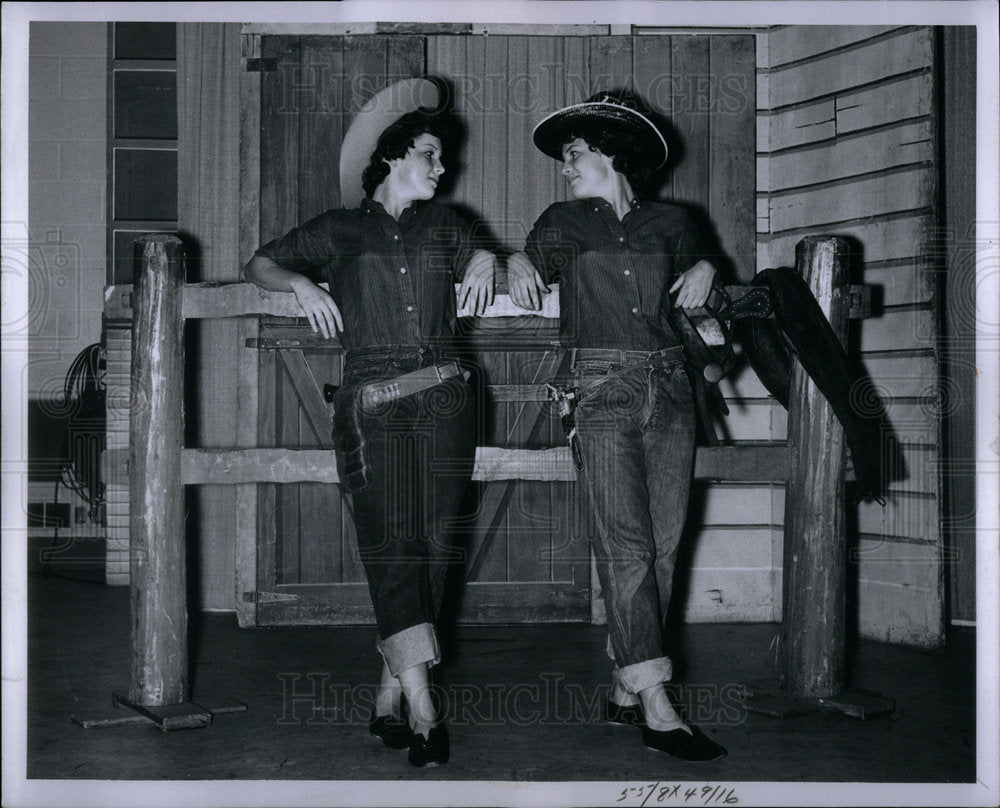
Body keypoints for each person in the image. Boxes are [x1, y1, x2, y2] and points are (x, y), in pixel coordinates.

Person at [242, 79, 496, 768]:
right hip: (373, 402)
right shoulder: (339, 228)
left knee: (434, 547)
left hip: (446, 394)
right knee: (390, 547)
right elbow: (260, 262)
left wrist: (488, 257)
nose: (441, 169)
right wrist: (297, 282)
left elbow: (485, 251)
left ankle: (389, 696)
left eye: (442, 159)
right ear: (390, 159)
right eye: (428, 155)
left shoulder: (450, 222)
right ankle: (423, 707)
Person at [507, 91, 728, 761]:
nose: (566, 166)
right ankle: (657, 703)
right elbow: (528, 266)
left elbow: (707, 301)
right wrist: (515, 262)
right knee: (626, 544)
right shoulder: (563, 220)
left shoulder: (674, 222)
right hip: (599, 389)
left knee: (662, 547)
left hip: (672, 388)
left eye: (575, 153)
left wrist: (709, 266)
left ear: (613, 153)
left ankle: (624, 687)